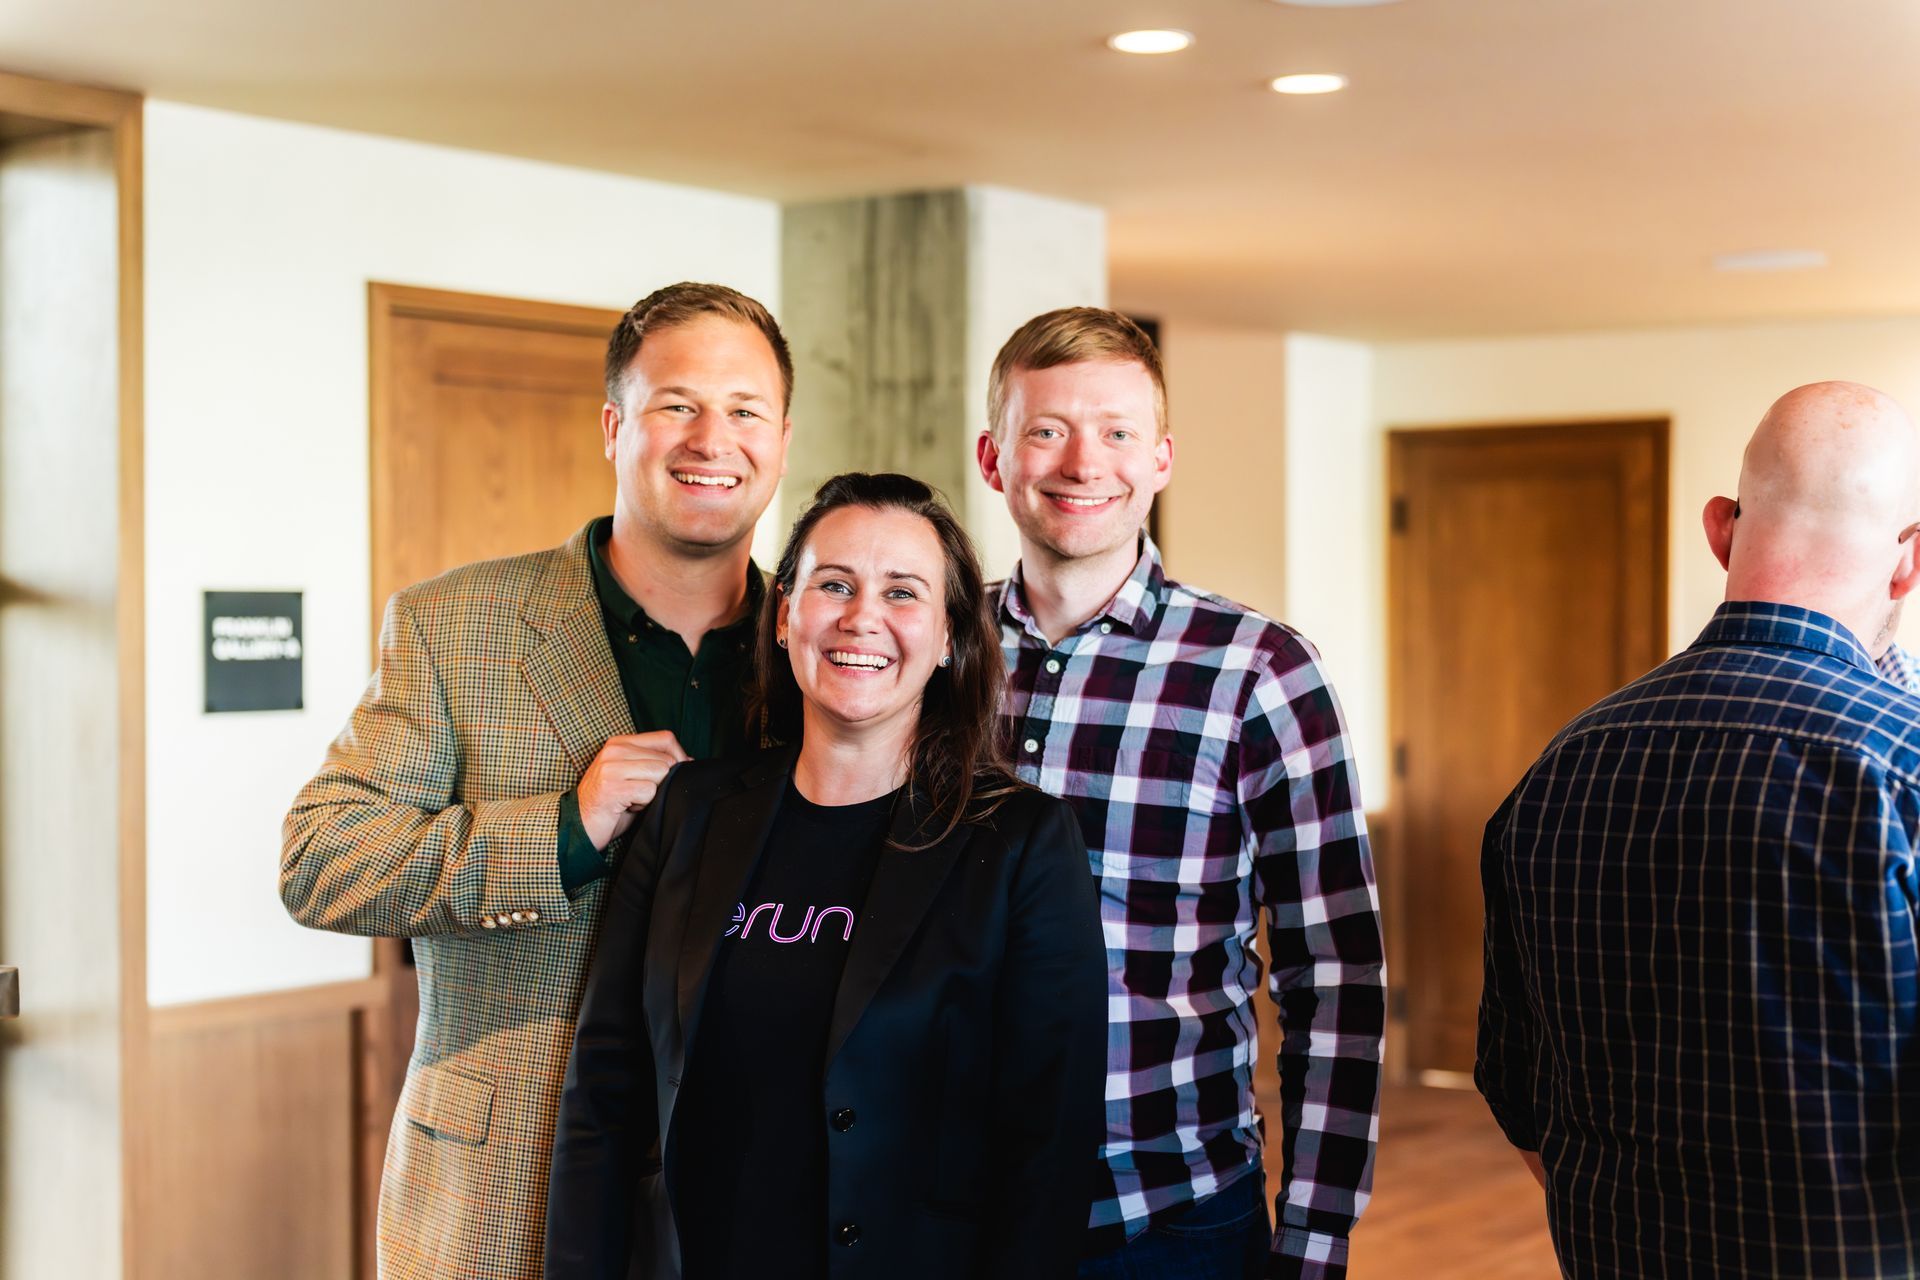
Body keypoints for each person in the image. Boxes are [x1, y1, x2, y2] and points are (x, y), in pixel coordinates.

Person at [280, 282, 792, 1279]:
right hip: (507, 1189)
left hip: (750, 1192)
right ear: (615, 424)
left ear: (779, 436)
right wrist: (563, 827)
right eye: (676, 404)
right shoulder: (454, 623)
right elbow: (318, 860)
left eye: (745, 410)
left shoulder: (818, 650)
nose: (711, 437)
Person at [544, 472, 1107, 1279]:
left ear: (950, 636)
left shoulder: (1021, 842)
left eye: (902, 593)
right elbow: (603, 1097)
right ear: (784, 617)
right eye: (832, 584)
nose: (861, 618)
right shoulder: (689, 813)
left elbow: (1046, 1153)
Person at [1476, 381, 1920, 1279]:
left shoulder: (1560, 767)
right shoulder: (1904, 770)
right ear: (1908, 562)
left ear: (1720, 527)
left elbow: (1515, 1091)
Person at [976, 308, 1386, 1280]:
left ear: (1161, 458)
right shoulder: (927, 654)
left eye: (1117, 431)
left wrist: (1316, 1236)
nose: (1084, 462)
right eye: (1047, 429)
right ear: (995, 458)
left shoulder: (1259, 671)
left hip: (1168, 1226)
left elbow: (1335, 974)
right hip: (942, 1215)